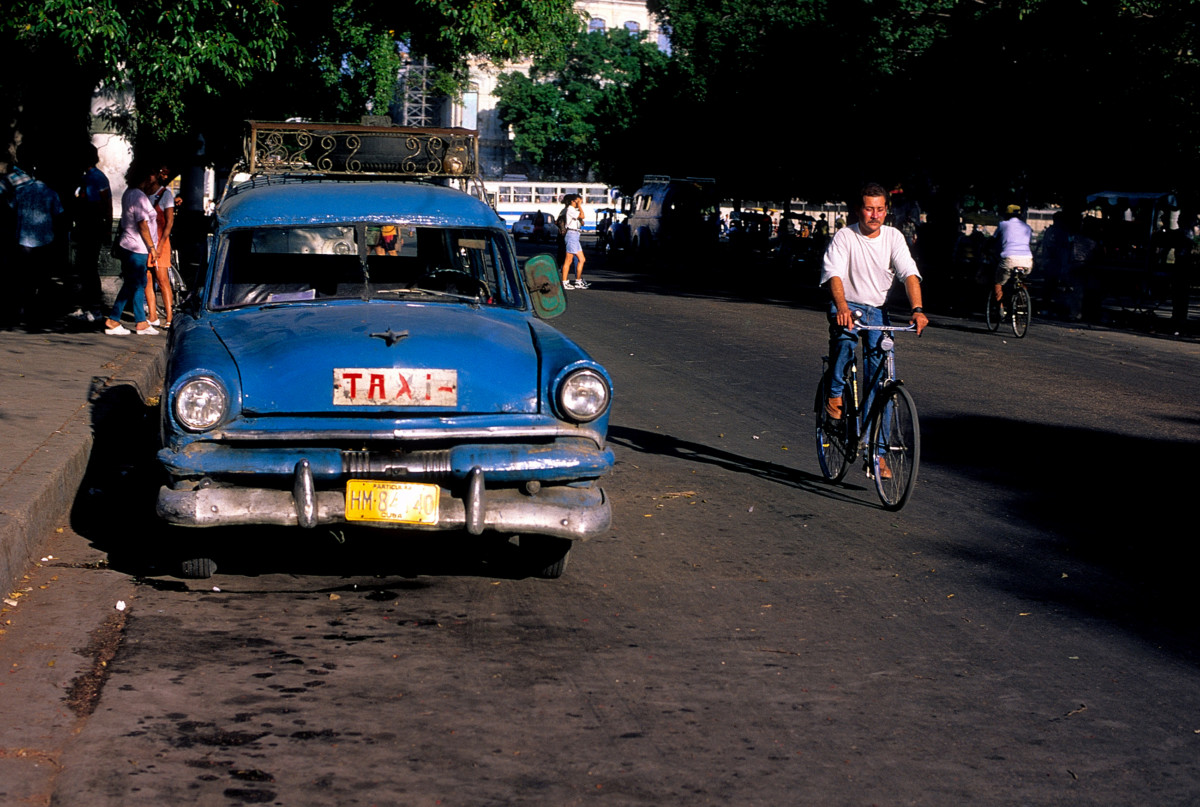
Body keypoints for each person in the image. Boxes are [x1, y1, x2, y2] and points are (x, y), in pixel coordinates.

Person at [820, 182, 929, 478]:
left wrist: (917, 309)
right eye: (869, 208)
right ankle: (834, 394)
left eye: (880, 209)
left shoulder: (893, 237)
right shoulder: (845, 236)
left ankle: (876, 453)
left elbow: (909, 273)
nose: (875, 215)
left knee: (883, 380)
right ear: (859, 210)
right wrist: (841, 307)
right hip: (848, 304)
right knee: (844, 341)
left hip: (877, 310)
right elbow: (834, 275)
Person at [103, 161, 160, 336]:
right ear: (146, 176)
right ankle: (113, 319)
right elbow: (142, 223)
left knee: (138, 283)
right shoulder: (139, 196)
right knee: (133, 283)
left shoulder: (130, 193)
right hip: (137, 246)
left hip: (131, 245)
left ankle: (141, 321)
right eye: (152, 173)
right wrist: (152, 247)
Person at [12, 167, 65, 326]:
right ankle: (40, 314)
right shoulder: (51, 193)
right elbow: (58, 215)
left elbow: (12, 210)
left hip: (23, 239)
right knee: (42, 278)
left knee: (24, 278)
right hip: (45, 240)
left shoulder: (21, 191)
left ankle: (22, 312)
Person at [71, 145, 112, 321]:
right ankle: (85, 305)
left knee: (90, 267)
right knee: (83, 266)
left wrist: (107, 227)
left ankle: (95, 307)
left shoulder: (98, 178)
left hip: (93, 225)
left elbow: (106, 203)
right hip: (83, 225)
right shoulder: (84, 178)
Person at [145, 164, 175, 328]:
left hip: (160, 242)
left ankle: (169, 317)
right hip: (145, 242)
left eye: (151, 174)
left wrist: (161, 245)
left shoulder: (165, 195)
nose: (148, 178)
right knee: (147, 279)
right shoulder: (142, 194)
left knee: (162, 279)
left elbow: (169, 222)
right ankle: (152, 314)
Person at [993, 204, 1033, 304]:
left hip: (1009, 259)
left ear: (1006, 214)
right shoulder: (1027, 227)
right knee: (1021, 279)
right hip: (1027, 260)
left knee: (998, 282)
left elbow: (993, 240)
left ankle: (1000, 308)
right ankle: (1023, 301)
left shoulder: (1003, 225)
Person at [559, 193, 587, 289]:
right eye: (578, 201)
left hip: (576, 234)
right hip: (571, 234)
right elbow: (582, 216)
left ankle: (578, 281)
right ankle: (564, 281)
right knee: (569, 259)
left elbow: (582, 220)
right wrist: (579, 206)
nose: (580, 203)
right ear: (573, 201)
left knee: (581, 259)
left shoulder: (573, 210)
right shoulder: (570, 209)